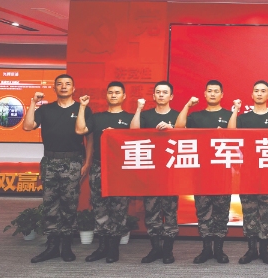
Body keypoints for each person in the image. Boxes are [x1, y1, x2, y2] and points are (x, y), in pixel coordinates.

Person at [23, 74, 93, 263]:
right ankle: (52, 246)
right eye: (59, 84)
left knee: (69, 204)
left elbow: (87, 137)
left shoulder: (82, 108)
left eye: (68, 84)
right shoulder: (46, 110)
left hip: (73, 161)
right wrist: (33, 103)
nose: (63, 86)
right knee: (50, 204)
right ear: (54, 88)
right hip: (50, 161)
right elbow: (28, 126)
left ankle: (67, 246)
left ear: (73, 88)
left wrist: (87, 162)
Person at [74, 81, 133, 263]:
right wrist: (82, 107)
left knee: (119, 208)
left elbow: (138, 140)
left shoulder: (131, 118)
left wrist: (117, 135)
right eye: (110, 92)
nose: (113, 95)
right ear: (106, 95)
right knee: (99, 206)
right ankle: (102, 247)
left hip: (121, 168)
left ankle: (113, 249)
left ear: (124, 96)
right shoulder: (97, 117)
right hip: (100, 166)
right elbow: (80, 130)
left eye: (117, 92)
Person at [175, 80, 232, 264]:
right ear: (205, 94)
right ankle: (206, 249)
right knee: (203, 211)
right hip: (200, 171)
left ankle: (219, 250)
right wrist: (187, 105)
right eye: (210, 91)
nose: (213, 94)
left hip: (222, 172)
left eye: (216, 91)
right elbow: (178, 128)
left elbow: (238, 138)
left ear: (222, 95)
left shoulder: (229, 115)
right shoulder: (196, 116)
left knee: (221, 212)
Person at [229, 80, 268, 264]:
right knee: (249, 210)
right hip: (248, 172)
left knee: (267, 211)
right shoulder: (243, 118)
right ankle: (251, 249)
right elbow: (231, 132)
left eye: (263, 91)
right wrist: (235, 110)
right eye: (256, 91)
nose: (259, 94)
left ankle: (265, 250)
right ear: (252, 95)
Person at [131, 81, 179, 264]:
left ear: (171, 96)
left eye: (165, 92)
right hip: (150, 171)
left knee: (170, 212)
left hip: (170, 172)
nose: (161, 95)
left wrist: (171, 129)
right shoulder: (146, 115)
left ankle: (168, 251)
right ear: (153, 96)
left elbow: (186, 137)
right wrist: (138, 109)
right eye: (158, 92)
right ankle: (155, 249)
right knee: (151, 212)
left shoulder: (177, 116)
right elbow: (133, 131)